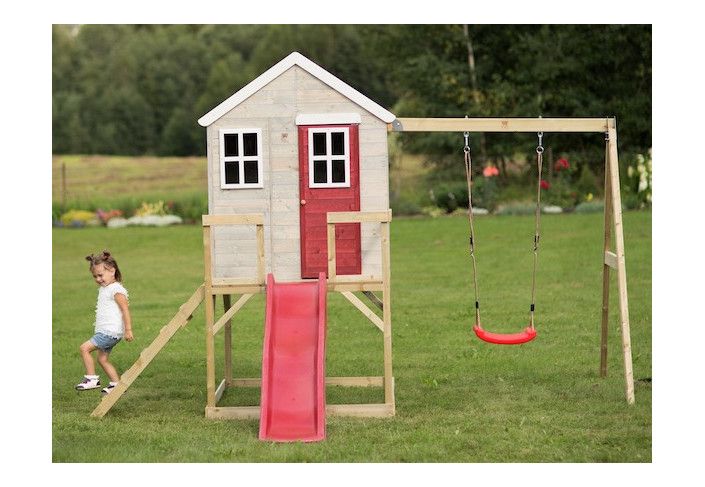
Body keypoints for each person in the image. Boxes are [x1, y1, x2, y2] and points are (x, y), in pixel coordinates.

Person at [75, 251, 134, 395]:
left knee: (84, 348)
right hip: (108, 332)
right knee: (102, 359)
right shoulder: (106, 288)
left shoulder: (116, 289)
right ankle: (116, 385)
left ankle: (91, 379)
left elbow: (125, 309)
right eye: (95, 276)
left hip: (110, 332)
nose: (98, 279)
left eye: (100, 275)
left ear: (112, 270)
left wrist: (128, 330)